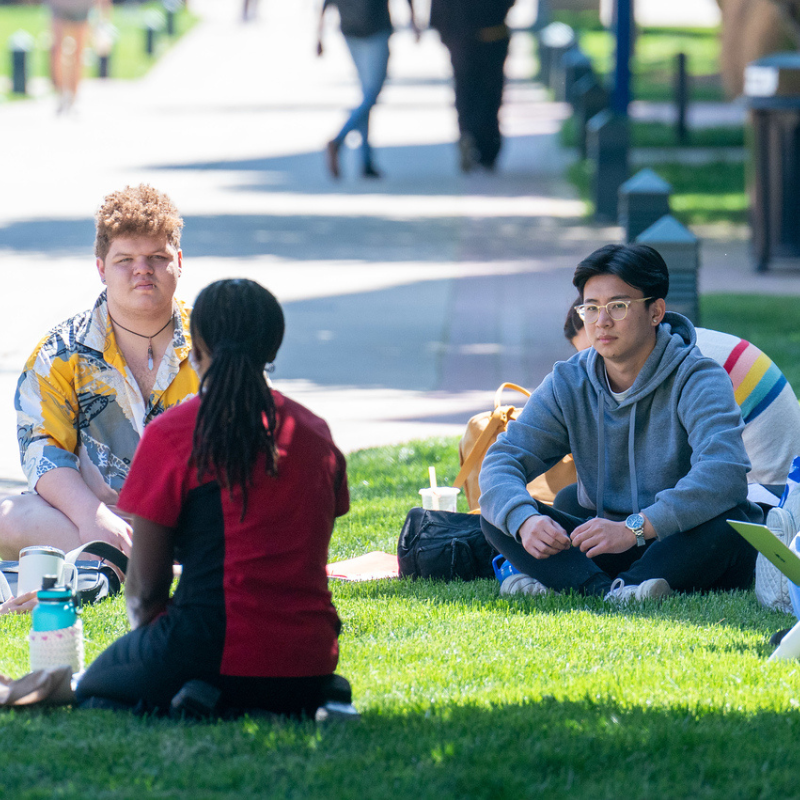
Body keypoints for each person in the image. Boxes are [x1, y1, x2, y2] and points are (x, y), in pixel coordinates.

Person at [76, 279, 353, 719]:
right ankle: (264, 698)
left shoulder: (172, 435)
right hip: (313, 657)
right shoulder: (314, 433)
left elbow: (145, 593)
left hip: (208, 646)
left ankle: (209, 694)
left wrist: (157, 653)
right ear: (273, 350)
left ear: (197, 347)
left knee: (91, 688)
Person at [480, 243, 762, 602]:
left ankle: (595, 582)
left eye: (618, 306)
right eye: (591, 308)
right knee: (500, 512)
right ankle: (608, 591)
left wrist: (637, 528)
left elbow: (725, 472)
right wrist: (525, 521)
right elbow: (503, 459)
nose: (602, 321)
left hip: (676, 537)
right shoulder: (569, 381)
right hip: (606, 541)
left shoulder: (698, 377)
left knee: (729, 526)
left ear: (656, 311)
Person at [0, 185, 199, 560]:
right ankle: (133, 560)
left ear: (179, 261)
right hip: (98, 523)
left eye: (157, 256)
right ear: (101, 268)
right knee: (7, 518)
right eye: (125, 259)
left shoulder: (216, 344)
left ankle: (124, 563)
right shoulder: (59, 353)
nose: (142, 269)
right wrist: (92, 517)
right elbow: (42, 450)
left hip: (195, 521)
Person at [565, 299, 800, 496]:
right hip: (772, 478)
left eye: (594, 349)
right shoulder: (680, 344)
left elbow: (656, 466)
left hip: (767, 494)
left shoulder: (684, 364)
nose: (595, 360)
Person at [318, 0, 420, 180]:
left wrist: (318, 33)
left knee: (367, 94)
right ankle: (339, 140)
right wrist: (413, 19)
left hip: (353, 27)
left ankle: (365, 162)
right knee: (371, 94)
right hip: (372, 28)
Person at [429, 0, 516, 172]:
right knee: (491, 93)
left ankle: (468, 132)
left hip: (460, 35)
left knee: (464, 89)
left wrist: (443, 30)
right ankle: (487, 148)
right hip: (492, 31)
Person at [48, 0, 110, 113]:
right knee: (57, 51)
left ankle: (73, 97)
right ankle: (61, 94)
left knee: (78, 54)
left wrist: (104, 15)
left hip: (81, 6)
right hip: (60, 5)